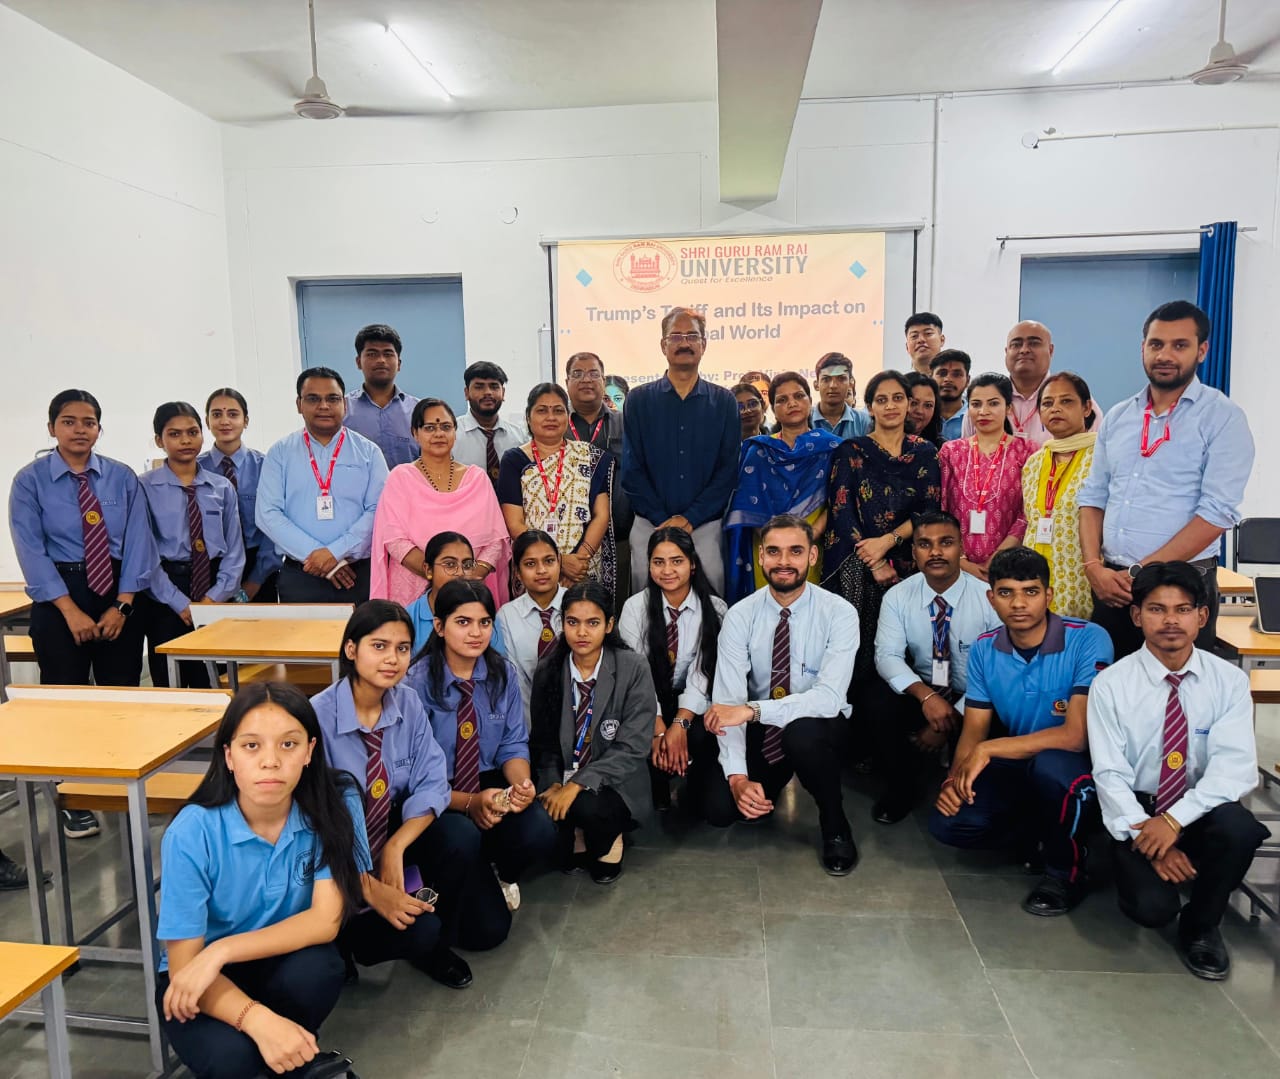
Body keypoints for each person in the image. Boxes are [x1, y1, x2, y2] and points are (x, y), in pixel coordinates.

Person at [156, 683, 365, 1079]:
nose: (270, 761)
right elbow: (186, 969)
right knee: (234, 1061)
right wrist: (257, 1019)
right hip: (199, 979)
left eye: (289, 745)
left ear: (309, 751)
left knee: (320, 969)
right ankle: (292, 1055)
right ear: (228, 756)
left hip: (270, 956)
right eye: (251, 746)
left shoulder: (334, 804)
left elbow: (325, 921)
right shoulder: (192, 832)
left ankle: (287, 1052)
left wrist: (222, 950)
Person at [1088, 562, 1269, 980]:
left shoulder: (1228, 681)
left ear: (1202, 617)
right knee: (1152, 910)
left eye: (1183, 609)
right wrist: (1152, 837)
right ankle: (1139, 869)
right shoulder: (1112, 684)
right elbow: (1109, 774)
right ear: (1137, 616)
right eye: (1157, 609)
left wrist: (1174, 821)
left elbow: (1234, 770)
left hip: (1198, 807)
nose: (1171, 621)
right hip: (1139, 811)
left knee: (1241, 829)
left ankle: (1202, 926)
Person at [929, 547, 1113, 916]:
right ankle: (1042, 834)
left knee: (1051, 766)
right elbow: (974, 730)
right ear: (991, 598)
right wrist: (954, 780)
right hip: (1018, 762)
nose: (1018, 604)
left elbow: (1075, 736)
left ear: (1049, 595)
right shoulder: (984, 648)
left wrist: (987, 750)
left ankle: (1065, 873)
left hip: (1078, 765)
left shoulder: (1088, 638)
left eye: (1030, 591)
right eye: (1006, 592)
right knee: (950, 824)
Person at [9, 389, 157, 841]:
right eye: (69, 421)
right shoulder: (30, 482)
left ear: (99, 428)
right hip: (61, 593)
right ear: (51, 427)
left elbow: (139, 542)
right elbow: (30, 550)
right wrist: (69, 610)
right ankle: (71, 796)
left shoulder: (121, 477)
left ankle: (121, 783)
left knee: (121, 694)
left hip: (117, 589)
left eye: (88, 422)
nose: (79, 430)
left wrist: (123, 604)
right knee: (65, 698)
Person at [1078, 300, 1254, 659]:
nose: (1165, 355)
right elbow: (1093, 497)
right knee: (1109, 685)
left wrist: (1142, 570)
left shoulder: (1222, 418)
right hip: (1113, 587)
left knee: (1177, 687)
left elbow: (1217, 514)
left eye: (1180, 345)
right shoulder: (1119, 416)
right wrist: (1093, 567)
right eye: (1156, 344)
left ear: (1202, 351)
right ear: (1143, 347)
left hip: (1180, 587)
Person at [310, 602, 472, 988]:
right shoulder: (315, 717)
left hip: (385, 832)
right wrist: (367, 886)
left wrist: (396, 847)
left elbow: (434, 782)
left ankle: (433, 946)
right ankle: (345, 941)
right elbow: (312, 824)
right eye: (379, 646)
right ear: (351, 649)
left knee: (459, 836)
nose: (392, 659)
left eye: (402, 648)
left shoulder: (408, 702)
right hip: (335, 859)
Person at [705, 515, 860, 874]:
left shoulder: (839, 613)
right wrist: (737, 778)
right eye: (774, 551)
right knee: (721, 811)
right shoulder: (740, 615)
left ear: (812, 556)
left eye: (795, 551)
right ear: (761, 557)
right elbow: (727, 702)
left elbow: (829, 698)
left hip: (819, 727)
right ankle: (769, 782)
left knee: (802, 733)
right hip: (763, 730)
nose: (784, 561)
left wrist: (753, 710)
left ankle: (835, 824)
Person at [408, 581, 557, 917]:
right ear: (439, 626)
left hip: (488, 778)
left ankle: (501, 870)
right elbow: (412, 776)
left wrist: (521, 785)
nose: (476, 633)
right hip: (437, 790)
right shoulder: (415, 684)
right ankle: (452, 875)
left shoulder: (502, 673)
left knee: (541, 829)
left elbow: (512, 744)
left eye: (484, 622)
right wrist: (469, 803)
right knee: (462, 839)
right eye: (463, 622)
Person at [871, 511, 1001, 824]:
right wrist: (927, 697)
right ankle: (900, 788)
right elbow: (887, 655)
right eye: (925, 544)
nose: (936, 552)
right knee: (876, 701)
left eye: (946, 543)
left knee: (1002, 711)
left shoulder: (988, 598)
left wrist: (953, 715)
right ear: (914, 552)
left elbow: (998, 671)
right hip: (925, 690)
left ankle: (970, 787)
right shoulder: (898, 596)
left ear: (961, 547)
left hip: (976, 696)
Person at [823, 371, 941, 706]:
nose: (890, 406)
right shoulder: (851, 450)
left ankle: (912, 714)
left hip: (907, 558)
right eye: (882, 399)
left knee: (907, 647)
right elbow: (841, 510)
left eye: (897, 398)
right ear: (870, 407)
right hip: (858, 559)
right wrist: (874, 561)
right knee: (858, 650)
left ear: (908, 404)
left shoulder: (925, 452)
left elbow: (929, 509)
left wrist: (888, 542)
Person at [530, 580, 654, 884]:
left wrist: (577, 784)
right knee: (546, 836)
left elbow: (633, 747)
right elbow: (544, 743)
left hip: (616, 780)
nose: (582, 632)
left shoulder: (633, 668)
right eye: (573, 622)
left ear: (609, 625)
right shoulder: (549, 669)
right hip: (562, 774)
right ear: (562, 623)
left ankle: (609, 834)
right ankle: (576, 830)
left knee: (590, 808)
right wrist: (553, 785)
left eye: (593, 623)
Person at [621, 307, 740, 595]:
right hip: (650, 522)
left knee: (712, 589)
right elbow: (632, 470)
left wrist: (690, 519)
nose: (684, 343)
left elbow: (727, 471)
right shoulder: (638, 400)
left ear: (703, 344)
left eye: (692, 336)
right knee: (643, 590)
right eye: (675, 336)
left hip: (704, 524)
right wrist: (663, 521)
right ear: (663, 345)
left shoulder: (724, 402)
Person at [618, 526, 728, 812]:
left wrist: (679, 726)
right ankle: (658, 777)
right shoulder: (634, 609)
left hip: (694, 707)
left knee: (717, 812)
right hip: (647, 703)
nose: (667, 570)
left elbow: (703, 675)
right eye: (658, 562)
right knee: (647, 802)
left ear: (692, 564)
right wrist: (658, 731)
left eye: (676, 561)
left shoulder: (715, 609)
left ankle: (692, 777)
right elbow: (637, 677)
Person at [256, 367, 388, 603]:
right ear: (299, 404)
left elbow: (378, 511)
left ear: (344, 404)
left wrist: (335, 553)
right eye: (313, 399)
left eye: (332, 399)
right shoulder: (280, 453)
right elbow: (268, 514)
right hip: (301, 575)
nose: (324, 406)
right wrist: (319, 557)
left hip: (358, 575)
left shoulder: (369, 453)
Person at [138, 402, 245, 688]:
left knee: (215, 681)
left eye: (192, 432)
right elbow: (144, 553)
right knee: (169, 682)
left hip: (213, 586)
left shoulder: (221, 487)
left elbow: (234, 551)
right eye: (174, 434)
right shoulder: (144, 487)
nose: (185, 440)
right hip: (165, 592)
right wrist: (179, 603)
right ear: (159, 440)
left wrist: (213, 598)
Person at [369, 397, 510, 610]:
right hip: (414, 589)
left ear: (455, 431)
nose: (438, 434)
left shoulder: (477, 478)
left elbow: (496, 540)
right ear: (415, 433)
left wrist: (469, 576)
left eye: (445, 427)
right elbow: (394, 539)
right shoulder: (401, 478)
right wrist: (438, 575)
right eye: (429, 428)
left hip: (472, 589)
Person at [724, 371, 841, 603]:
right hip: (767, 546)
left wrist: (808, 537)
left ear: (810, 401)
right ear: (773, 409)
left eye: (799, 396)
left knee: (810, 608)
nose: (792, 403)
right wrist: (776, 544)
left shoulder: (832, 448)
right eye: (782, 400)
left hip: (813, 544)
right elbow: (747, 507)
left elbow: (838, 501)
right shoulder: (758, 451)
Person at [498, 383, 616, 598]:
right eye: (542, 410)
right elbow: (514, 523)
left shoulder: (589, 457)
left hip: (583, 568)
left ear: (567, 417)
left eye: (558, 410)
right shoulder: (514, 460)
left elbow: (601, 515)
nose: (551, 417)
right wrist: (559, 562)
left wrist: (578, 562)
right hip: (535, 567)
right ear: (528, 417)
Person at [940, 373, 1033, 581]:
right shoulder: (951, 451)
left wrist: (1000, 556)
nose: (983, 411)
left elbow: (1028, 512)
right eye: (976, 404)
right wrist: (960, 560)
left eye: (993, 403)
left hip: (1010, 564)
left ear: (1009, 408)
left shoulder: (1027, 451)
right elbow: (942, 509)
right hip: (956, 565)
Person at [1021, 372, 1099, 619]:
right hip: (1035, 578)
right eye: (1047, 403)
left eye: (1066, 401)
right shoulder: (1033, 462)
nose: (1055, 408)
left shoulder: (1102, 457)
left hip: (1082, 578)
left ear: (1086, 408)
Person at [200, 388, 281, 602]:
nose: (225, 421)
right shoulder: (196, 469)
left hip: (258, 565)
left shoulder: (266, 466)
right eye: (217, 414)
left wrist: (256, 580)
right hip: (209, 567)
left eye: (233, 414)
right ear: (207, 422)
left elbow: (275, 526)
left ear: (245, 421)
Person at [565, 351, 632, 608]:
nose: (586, 380)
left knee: (617, 608)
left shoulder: (625, 424)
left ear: (603, 381)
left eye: (594, 374)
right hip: (568, 544)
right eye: (578, 374)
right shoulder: (556, 426)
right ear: (567, 382)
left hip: (619, 538)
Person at [495, 530, 565, 719]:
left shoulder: (578, 605)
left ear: (559, 561)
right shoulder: (507, 616)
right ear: (517, 572)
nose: (541, 570)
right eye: (530, 564)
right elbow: (514, 681)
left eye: (549, 561)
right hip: (528, 718)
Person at [402, 531, 507, 657]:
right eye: (450, 565)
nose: (460, 573)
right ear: (428, 570)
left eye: (467, 565)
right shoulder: (409, 619)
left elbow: (498, 662)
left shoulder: (484, 614)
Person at [961, 321, 1055, 445]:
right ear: (1006, 351)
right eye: (1016, 345)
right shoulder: (980, 403)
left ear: (1050, 350)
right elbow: (966, 451)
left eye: (1034, 343)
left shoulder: (1069, 398)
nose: (1024, 350)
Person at [343, 323, 419, 468]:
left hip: (409, 484)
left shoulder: (418, 410)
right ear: (358, 362)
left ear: (399, 364)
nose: (381, 360)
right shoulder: (342, 409)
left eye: (388, 354)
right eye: (372, 354)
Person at [453, 361, 527, 487]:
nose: (488, 392)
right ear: (466, 393)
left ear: (503, 393)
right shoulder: (451, 435)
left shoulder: (520, 437)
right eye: (479, 387)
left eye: (494, 386)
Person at [811, 352, 871, 439]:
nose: (833, 385)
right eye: (826, 379)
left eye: (841, 379)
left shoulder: (864, 422)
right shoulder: (804, 419)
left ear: (851, 383)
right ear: (816, 385)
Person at [930, 349, 971, 441]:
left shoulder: (976, 416)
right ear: (931, 378)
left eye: (956, 374)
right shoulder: (921, 414)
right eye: (942, 373)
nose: (948, 379)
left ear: (968, 380)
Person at [904, 371, 943, 445]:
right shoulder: (880, 444)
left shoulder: (942, 448)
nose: (920, 411)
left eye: (928, 405)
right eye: (914, 403)